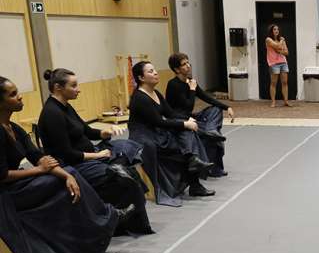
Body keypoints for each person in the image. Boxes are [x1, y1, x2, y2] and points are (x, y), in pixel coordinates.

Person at [0, 76, 122, 253]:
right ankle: (103, 219)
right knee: (58, 180)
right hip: (7, 194)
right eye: (13, 94)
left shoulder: (15, 128)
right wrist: (40, 171)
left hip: (19, 184)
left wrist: (65, 175)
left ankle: (88, 236)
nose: (20, 96)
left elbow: (39, 157)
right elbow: (3, 176)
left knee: (69, 174)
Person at [38, 68, 153, 234]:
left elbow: (85, 130)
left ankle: (130, 215)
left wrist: (104, 132)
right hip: (75, 164)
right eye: (74, 85)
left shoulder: (66, 107)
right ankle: (118, 219)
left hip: (90, 154)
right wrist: (97, 155)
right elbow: (67, 154)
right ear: (58, 88)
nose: (78, 89)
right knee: (121, 174)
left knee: (129, 148)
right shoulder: (52, 113)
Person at [127, 61, 215, 203]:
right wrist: (184, 124)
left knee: (189, 133)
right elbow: (158, 122)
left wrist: (188, 120)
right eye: (150, 71)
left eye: (154, 69)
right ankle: (194, 173)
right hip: (145, 136)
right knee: (186, 136)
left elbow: (170, 113)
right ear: (141, 78)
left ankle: (193, 165)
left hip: (158, 131)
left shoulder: (156, 93)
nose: (155, 72)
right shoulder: (140, 98)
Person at [165, 52, 231, 177]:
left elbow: (207, 97)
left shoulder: (190, 81)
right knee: (212, 138)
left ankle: (211, 130)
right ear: (176, 69)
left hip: (191, 116)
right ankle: (213, 163)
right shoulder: (173, 85)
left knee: (215, 109)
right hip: (180, 119)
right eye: (184, 64)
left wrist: (227, 107)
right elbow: (187, 106)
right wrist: (192, 89)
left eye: (188, 62)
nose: (188, 66)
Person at [266, 23, 291, 108]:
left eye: (277, 29)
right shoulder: (268, 39)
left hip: (283, 62)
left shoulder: (281, 40)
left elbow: (287, 52)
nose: (276, 31)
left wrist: (280, 51)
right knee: (273, 83)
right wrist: (281, 42)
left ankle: (286, 101)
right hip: (274, 63)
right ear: (271, 31)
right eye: (274, 29)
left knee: (284, 82)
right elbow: (278, 45)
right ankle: (273, 102)